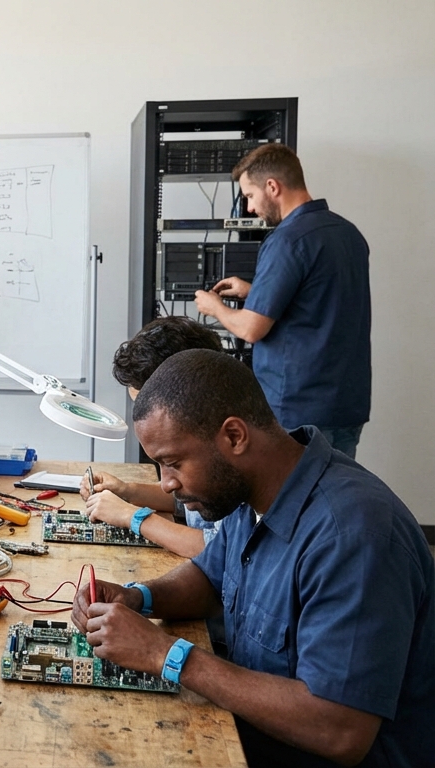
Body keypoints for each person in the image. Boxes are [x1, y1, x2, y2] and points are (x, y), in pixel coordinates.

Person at [72, 350, 434, 767]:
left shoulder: (353, 536)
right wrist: (137, 597)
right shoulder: (252, 493)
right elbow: (210, 579)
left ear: (234, 437)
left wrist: (163, 654)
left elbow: (338, 728)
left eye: (172, 463)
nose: (167, 484)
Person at [194, 144, 370, 459]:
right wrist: (255, 291)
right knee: (333, 500)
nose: (249, 209)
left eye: (249, 196)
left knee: (292, 503)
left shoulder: (287, 240)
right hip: (346, 404)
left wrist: (214, 307)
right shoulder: (348, 233)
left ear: (272, 187)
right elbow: (321, 298)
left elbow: (251, 329)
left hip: (297, 408)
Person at [81, 316, 224, 558]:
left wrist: (133, 517)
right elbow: (189, 505)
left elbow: (222, 550)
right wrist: (127, 491)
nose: (168, 482)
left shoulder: (228, 451)